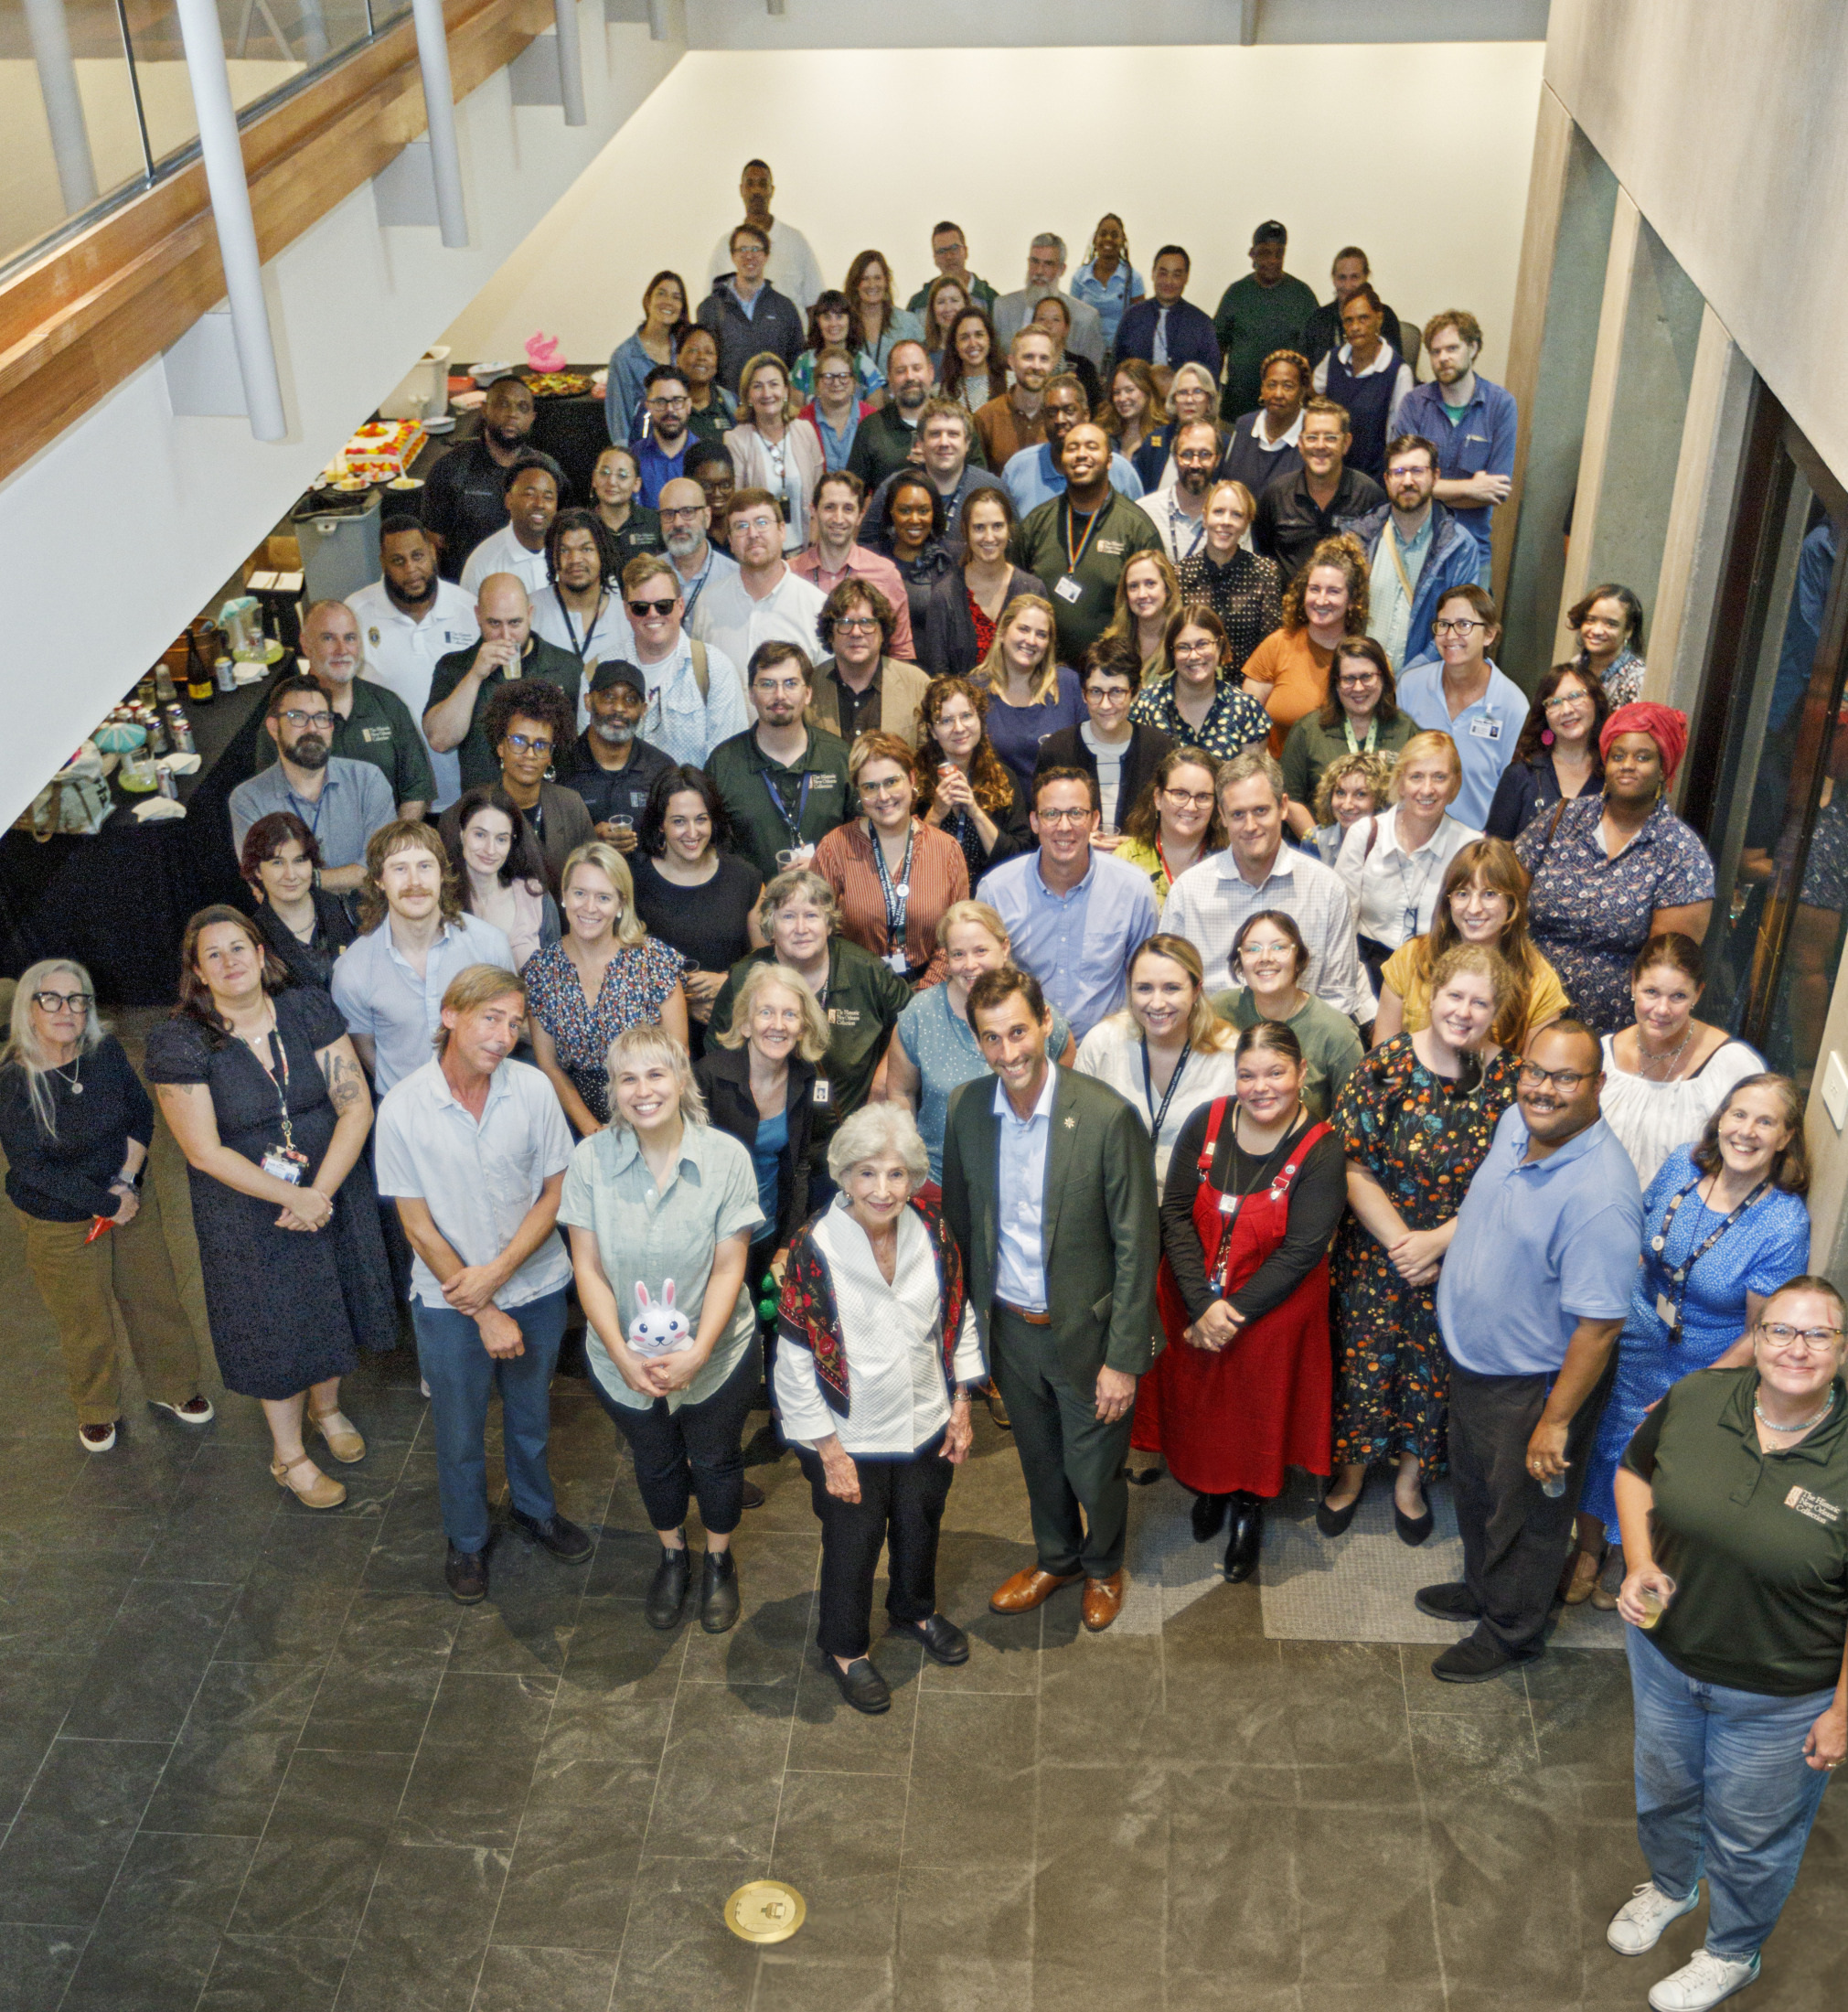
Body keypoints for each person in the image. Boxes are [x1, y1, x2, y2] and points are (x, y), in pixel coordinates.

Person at [1605, 1279, 1848, 2012]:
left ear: (1841, 1349)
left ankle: (1732, 1951)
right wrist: (1640, 1562)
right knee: (1665, 1795)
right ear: (1757, 1336)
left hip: (1780, 1695)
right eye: (1779, 1331)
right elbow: (1632, 1471)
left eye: (1817, 1336)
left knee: (1750, 1838)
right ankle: (1674, 1887)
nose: (1795, 1350)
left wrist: (1840, 1710)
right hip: (1664, 1657)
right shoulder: (1700, 1398)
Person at [1417, 1019, 1644, 1681]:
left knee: (1528, 1512)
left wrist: (1554, 1420)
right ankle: (1483, 1589)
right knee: (1478, 1490)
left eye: (1564, 1078)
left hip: (1534, 1382)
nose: (1543, 1090)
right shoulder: (1517, 1125)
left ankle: (1513, 1629)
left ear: (1597, 1085)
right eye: (1534, 1072)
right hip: (1478, 1363)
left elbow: (1598, 1326)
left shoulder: (1601, 1196)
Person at [148, 907, 396, 1508]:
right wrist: (295, 1197)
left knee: (331, 1301)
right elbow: (203, 1152)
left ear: (263, 956)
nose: (231, 961)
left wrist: (323, 1193)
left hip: (329, 1186)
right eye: (215, 954)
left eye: (241, 947)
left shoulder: (307, 1009)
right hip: (248, 1210)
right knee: (275, 1326)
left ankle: (328, 1409)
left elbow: (355, 1105)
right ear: (198, 973)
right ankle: (289, 1456)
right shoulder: (180, 1040)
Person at [943, 966, 1159, 1631]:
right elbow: (959, 1225)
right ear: (976, 1043)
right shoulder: (965, 1109)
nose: (1007, 1053)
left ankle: (1103, 1566)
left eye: (1017, 1031)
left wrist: (1122, 1359)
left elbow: (1135, 1246)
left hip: (1088, 1337)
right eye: (990, 1038)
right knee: (1038, 1463)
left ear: (1044, 1023)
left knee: (1093, 1469)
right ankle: (1057, 1558)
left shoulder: (1104, 1116)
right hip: (1010, 1329)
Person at [374, 965, 588, 1603]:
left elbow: (556, 1192)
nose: (504, 1035)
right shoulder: (404, 1107)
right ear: (449, 1016)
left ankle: (534, 1509)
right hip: (449, 1305)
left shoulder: (532, 1090)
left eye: (515, 1022)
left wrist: (496, 1275)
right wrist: (484, 1307)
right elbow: (416, 1224)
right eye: (491, 1018)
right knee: (460, 1432)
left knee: (530, 1418)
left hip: (539, 1287)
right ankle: (466, 1540)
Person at [774, 1101, 981, 1711]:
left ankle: (914, 1611)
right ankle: (844, 1648)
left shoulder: (933, 1229)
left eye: (895, 1174)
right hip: (849, 1431)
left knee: (920, 1521)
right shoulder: (814, 1249)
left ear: (913, 1178)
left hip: (925, 1417)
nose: (882, 1190)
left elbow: (956, 1315)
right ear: (842, 1176)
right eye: (866, 1173)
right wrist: (828, 1450)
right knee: (853, 1540)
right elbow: (792, 1361)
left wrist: (962, 1403)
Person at [1576, 1073, 1810, 1611]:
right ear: (1720, 1119)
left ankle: (1624, 1554)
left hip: (1705, 1360)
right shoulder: (1683, 1163)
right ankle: (1586, 1548)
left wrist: (1693, 1393)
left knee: (1651, 1452)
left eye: (1765, 1121)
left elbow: (1761, 1331)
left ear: (1786, 1137)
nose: (1747, 1131)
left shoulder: (1783, 1222)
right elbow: (1636, 1238)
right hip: (1632, 1328)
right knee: (1600, 1435)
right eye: (1739, 1115)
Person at [561, 1025, 763, 1633]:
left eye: (655, 1074)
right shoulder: (589, 1160)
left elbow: (731, 1266)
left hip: (718, 1354)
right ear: (613, 1092)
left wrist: (699, 1351)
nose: (642, 1090)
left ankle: (719, 1561)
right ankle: (673, 1554)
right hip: (621, 1357)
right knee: (655, 1465)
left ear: (680, 1081)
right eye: (627, 1078)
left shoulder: (726, 1157)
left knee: (716, 1460)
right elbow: (587, 1268)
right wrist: (622, 1356)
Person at [1323, 945, 1522, 1543]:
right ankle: (1349, 1475)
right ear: (1431, 995)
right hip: (1376, 1253)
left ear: (1497, 1012)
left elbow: (1511, 1182)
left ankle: (1410, 1482)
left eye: (1479, 1002)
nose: (1463, 1011)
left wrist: (1437, 1243)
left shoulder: (1509, 1082)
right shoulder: (1382, 1066)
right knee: (1362, 1366)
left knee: (1434, 1372)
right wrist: (1403, 1245)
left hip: (1460, 1257)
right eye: (1454, 996)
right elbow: (1350, 1164)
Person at [1143, 1020, 1346, 1580]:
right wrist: (1200, 1302)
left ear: (1301, 1074)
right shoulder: (1205, 1121)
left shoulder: (1321, 1148)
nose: (1261, 1087)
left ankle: (1248, 1510)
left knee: (1255, 1416)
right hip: (1192, 1300)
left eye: (1276, 1073)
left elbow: (1303, 1250)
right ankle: (1206, 1487)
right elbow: (1177, 1212)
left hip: (1272, 1313)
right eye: (1248, 1074)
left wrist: (1230, 1315)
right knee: (1199, 1406)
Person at [2, 962, 214, 1451]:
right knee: (84, 1317)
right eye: (51, 999)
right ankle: (97, 1409)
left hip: (128, 1196)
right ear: (29, 1009)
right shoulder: (13, 1080)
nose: (66, 1010)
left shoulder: (104, 1052)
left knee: (154, 1295)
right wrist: (105, 1203)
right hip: (60, 1216)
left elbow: (140, 1114)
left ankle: (175, 1388)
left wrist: (125, 1184)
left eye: (78, 1000)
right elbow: (32, 1169)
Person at [708, 868, 913, 1204]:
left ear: (829, 923)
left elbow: (912, 1023)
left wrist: (884, 1077)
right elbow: (719, 1052)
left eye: (812, 916)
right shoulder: (746, 976)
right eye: (788, 916)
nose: (801, 929)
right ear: (771, 926)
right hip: (768, 1148)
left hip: (846, 1146)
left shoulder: (865, 971)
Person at [1517, 702, 1716, 1035]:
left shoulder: (1682, 855)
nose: (1627, 766)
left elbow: (1667, 969)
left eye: (1643, 757)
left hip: (1609, 1030)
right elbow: (1504, 899)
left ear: (1664, 767)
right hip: (1525, 1005)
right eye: (1618, 755)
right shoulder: (1561, 819)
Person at [1160, 750, 1373, 1024]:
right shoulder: (1188, 892)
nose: (1250, 826)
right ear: (1222, 816)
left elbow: (1338, 999)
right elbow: (1169, 986)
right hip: (1212, 1045)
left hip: (1300, 1048)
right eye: (1237, 814)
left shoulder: (1327, 889)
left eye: (1260, 811)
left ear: (1283, 807)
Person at [885, 898, 1074, 1205]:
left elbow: (1065, 1067)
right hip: (937, 1183)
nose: (970, 965)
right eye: (958, 954)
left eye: (981, 951)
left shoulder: (1034, 1012)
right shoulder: (921, 1015)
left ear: (1005, 948)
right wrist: (910, 1160)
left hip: (1023, 1183)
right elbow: (900, 1092)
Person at [328, 819, 513, 1090]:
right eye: (400, 869)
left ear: (441, 874)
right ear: (379, 880)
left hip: (488, 1102)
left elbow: (508, 1029)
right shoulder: (352, 970)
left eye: (425, 866)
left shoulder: (490, 946)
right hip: (406, 1119)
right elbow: (366, 1051)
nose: (415, 882)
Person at [977, 768, 1159, 1042]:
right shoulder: (996, 892)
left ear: (1095, 820)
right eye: (1051, 814)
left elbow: (1146, 981)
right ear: (1034, 822)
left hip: (1108, 1049)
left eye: (1076, 813)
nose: (1064, 826)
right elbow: (983, 985)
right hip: (1023, 1050)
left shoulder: (1133, 889)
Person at [696, 961, 821, 1354]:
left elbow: (801, 1167)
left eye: (789, 1014)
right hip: (712, 1238)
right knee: (723, 1338)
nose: (777, 1025)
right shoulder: (707, 1078)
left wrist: (789, 1242)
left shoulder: (808, 1078)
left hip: (770, 1229)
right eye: (766, 1012)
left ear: (802, 1026)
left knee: (774, 1335)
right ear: (746, 1023)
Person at [524, 840, 688, 1133]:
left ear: (621, 903)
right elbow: (548, 1065)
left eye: (603, 897)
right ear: (563, 896)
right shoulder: (542, 970)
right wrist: (590, 1128)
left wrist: (641, 1120)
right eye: (579, 893)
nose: (589, 907)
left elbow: (678, 1054)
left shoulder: (653, 961)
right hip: (573, 1117)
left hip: (650, 1106)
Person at [1596, 934, 1765, 1186]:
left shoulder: (1732, 1065)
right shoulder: (1602, 1056)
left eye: (1678, 996)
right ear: (1633, 985)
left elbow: (1756, 1157)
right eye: (1651, 992)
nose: (1662, 1009)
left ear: (1698, 994)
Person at [1375, 838, 1571, 1053]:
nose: (1474, 908)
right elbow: (1380, 1059)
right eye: (1462, 894)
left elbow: (1533, 1077)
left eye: (1489, 894)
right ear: (1447, 901)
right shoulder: (1411, 957)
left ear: (1512, 903)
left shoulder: (1539, 981)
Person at [1076, 934, 1241, 1184]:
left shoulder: (1230, 1053)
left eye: (1171, 988)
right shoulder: (1103, 1043)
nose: (1157, 1003)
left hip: (1195, 1204)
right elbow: (1077, 1133)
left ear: (1197, 990)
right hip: (1116, 1198)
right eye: (1144, 988)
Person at [630, 765, 764, 1059]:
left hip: (734, 1035)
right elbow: (620, 974)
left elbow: (768, 963)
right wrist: (678, 1004)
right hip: (659, 1043)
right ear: (660, 825)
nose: (692, 833)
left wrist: (729, 983)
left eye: (701, 820)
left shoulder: (746, 878)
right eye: (679, 821)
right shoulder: (634, 884)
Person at [815, 733, 969, 988]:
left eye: (892, 781)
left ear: (911, 779)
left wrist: (922, 997)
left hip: (934, 991)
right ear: (859, 792)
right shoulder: (834, 848)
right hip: (857, 992)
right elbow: (822, 933)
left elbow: (957, 937)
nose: (883, 796)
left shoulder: (946, 849)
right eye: (870, 787)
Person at [352, 516, 482, 813]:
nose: (411, 570)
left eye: (418, 556)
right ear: (383, 563)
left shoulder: (468, 610)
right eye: (398, 561)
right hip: (393, 796)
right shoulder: (355, 614)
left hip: (464, 791)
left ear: (433, 552)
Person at [259, 601, 432, 820]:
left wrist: (393, 846)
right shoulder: (285, 715)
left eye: (350, 638)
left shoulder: (388, 705)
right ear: (306, 643)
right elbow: (270, 799)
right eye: (328, 638)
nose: (342, 650)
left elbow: (417, 790)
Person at [1336, 730, 1482, 988]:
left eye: (1439, 777)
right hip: (1366, 976)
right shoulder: (1365, 835)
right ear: (1401, 782)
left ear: (1454, 784)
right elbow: (1339, 928)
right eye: (1417, 777)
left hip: (1443, 978)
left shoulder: (1470, 847)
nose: (1427, 789)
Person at [1011, 424, 1163, 663]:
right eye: (1072, 448)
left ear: (1109, 461)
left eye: (1092, 447)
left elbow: (1158, 609)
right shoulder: (1037, 523)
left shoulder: (1136, 528)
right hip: (1041, 669)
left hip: (1111, 675)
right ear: (1062, 460)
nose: (1081, 454)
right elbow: (1013, 596)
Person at [706, 641, 855, 881]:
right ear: (751, 694)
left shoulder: (839, 757)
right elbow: (711, 850)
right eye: (767, 684)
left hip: (828, 903)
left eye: (790, 683)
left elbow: (863, 839)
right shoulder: (723, 764)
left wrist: (826, 864)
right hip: (752, 908)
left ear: (808, 694)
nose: (779, 695)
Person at [229, 677, 394, 892]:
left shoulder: (368, 780)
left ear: (331, 726)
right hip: (298, 921)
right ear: (273, 727)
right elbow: (263, 884)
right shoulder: (249, 800)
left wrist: (307, 880)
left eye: (321, 717)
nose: (312, 728)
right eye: (298, 717)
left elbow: (381, 867)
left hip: (369, 916)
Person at [422, 573, 582, 794]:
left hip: (548, 804)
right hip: (483, 808)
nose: (506, 635)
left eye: (515, 622)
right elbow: (440, 740)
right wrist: (475, 675)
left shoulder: (565, 665)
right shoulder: (455, 666)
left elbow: (579, 747)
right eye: (494, 623)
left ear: (530, 614)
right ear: (478, 615)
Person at [1207, 909, 1366, 1121]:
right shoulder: (1219, 1010)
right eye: (1252, 949)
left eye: (1279, 947)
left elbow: (1354, 1117)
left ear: (1299, 958)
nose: (1265, 958)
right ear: (1240, 961)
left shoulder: (1336, 1032)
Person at [1348, 434, 1483, 675]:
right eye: (1398, 472)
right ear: (1387, 480)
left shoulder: (1460, 548)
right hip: (1360, 684)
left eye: (1417, 471)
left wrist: (1411, 679)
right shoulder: (1358, 539)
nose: (1407, 481)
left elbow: (1457, 628)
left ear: (1435, 477)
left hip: (1425, 689)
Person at [1397, 311, 1519, 579]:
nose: (1443, 358)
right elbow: (1403, 486)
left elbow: (1496, 492)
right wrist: (1471, 488)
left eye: (1452, 348)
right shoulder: (1414, 404)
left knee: (1469, 622)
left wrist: (1429, 491)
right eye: (1435, 351)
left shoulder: (1501, 405)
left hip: (1471, 552)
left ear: (1473, 348)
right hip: (1415, 550)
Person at [1397, 584, 1527, 830]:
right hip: (1410, 834)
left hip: (1473, 848)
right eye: (1443, 625)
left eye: (1464, 625)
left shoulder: (1512, 705)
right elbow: (1396, 766)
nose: (1450, 635)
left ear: (1489, 635)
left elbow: (1512, 792)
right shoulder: (1410, 685)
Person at [611, 550, 746, 767]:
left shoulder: (716, 670)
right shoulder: (598, 670)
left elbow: (728, 768)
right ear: (627, 611)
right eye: (640, 608)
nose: (653, 614)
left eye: (663, 605)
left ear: (680, 606)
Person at [1244, 532, 1372, 755]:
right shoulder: (1277, 645)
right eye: (1314, 589)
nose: (1321, 600)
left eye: (1333, 591)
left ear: (1352, 601)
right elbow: (1246, 723)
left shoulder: (1369, 660)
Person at [1033, 637, 1173, 841]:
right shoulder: (1057, 749)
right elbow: (1039, 824)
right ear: (1083, 694)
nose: (1106, 705)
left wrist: (1135, 845)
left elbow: (1171, 824)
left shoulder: (1159, 749)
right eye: (1096, 692)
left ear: (1134, 693)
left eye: (1117, 692)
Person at [459, 681, 593, 891]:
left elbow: (589, 876)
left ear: (550, 756)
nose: (530, 754)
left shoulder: (570, 805)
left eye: (541, 745)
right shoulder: (469, 808)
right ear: (501, 747)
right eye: (519, 741)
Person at [1279, 636, 1414, 840]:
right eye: (1349, 679)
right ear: (1336, 683)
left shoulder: (1407, 731)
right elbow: (1291, 799)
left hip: (1388, 854)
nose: (1358, 688)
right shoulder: (1308, 731)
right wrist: (1320, 846)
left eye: (1367, 677)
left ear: (1383, 678)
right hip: (1322, 854)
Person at [690, 489, 828, 678]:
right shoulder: (708, 603)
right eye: (741, 526)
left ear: (782, 530)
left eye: (762, 523)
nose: (752, 534)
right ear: (730, 541)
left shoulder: (816, 606)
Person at [913, 675, 1034, 890]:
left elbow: (1019, 858)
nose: (959, 728)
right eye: (946, 720)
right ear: (932, 731)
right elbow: (903, 858)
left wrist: (976, 813)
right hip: (929, 897)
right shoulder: (915, 778)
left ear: (980, 719)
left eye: (967, 716)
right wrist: (936, 814)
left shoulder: (1003, 777)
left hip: (989, 898)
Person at [917, 486, 1046, 681]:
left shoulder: (1033, 590)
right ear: (965, 531)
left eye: (997, 526)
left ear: (1009, 528)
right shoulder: (945, 595)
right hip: (963, 709)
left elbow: (1044, 665)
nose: (989, 537)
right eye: (979, 528)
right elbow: (938, 675)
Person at [1252, 398, 1386, 579]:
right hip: (1286, 605)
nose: (1320, 445)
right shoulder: (1277, 495)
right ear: (1301, 443)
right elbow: (1262, 557)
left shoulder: (1368, 495)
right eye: (1312, 437)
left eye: (1330, 438)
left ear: (1346, 443)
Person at [791, 472, 916, 663]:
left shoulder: (885, 574)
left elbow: (901, 653)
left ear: (860, 516)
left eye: (848, 509)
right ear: (813, 511)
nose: (838, 519)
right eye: (829, 507)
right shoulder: (791, 573)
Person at [422, 373, 537, 580]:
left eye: (522, 407)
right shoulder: (450, 469)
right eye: (503, 404)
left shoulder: (546, 471)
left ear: (532, 418)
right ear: (484, 410)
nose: (513, 414)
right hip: (467, 587)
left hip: (529, 585)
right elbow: (433, 545)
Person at [1484, 659, 1609, 842]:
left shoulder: (1613, 775)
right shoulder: (1520, 774)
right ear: (1544, 715)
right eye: (1555, 702)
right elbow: (1496, 853)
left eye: (1575, 696)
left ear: (1596, 701)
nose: (1566, 710)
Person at [1129, 604, 1273, 763]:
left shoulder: (1246, 710)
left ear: (1219, 646)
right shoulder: (1146, 706)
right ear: (1172, 652)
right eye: (1183, 647)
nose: (1194, 655)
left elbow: (1251, 780)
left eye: (1202, 644)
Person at [967, 594, 1082, 790]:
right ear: (1003, 632)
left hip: (1058, 814)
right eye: (1023, 629)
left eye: (1041, 634)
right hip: (997, 813)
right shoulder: (974, 690)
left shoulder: (1068, 684)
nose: (1031, 640)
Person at [862, 401, 1004, 558]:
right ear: (921, 442)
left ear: (968, 443)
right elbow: (865, 550)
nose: (944, 443)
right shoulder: (894, 487)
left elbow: (1012, 554)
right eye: (935, 434)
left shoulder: (992, 488)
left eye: (953, 434)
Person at [1175, 481, 1285, 677]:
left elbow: (1271, 647)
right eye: (1218, 512)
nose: (1226, 521)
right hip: (1192, 684)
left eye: (1236, 514)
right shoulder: (1181, 573)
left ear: (1246, 524)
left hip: (1249, 689)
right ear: (1205, 517)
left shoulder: (1265, 573)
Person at [560, 658, 676, 844]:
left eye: (630, 700)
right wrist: (589, 839)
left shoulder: (662, 769)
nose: (619, 708)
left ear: (643, 710)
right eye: (609, 697)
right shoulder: (560, 765)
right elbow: (544, 844)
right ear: (588, 702)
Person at [1212, 220, 1319, 423]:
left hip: (1288, 411)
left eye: (1278, 253)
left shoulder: (1302, 296)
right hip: (1238, 409)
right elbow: (1217, 347)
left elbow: (1316, 353)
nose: (1272, 260)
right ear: (1252, 254)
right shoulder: (1236, 293)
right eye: (1265, 253)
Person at [240, 811, 358, 991]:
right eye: (277, 863)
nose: (291, 875)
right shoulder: (252, 936)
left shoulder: (349, 912)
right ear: (257, 871)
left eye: (299, 861)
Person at [443, 787, 557, 971]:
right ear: (462, 834)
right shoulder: (439, 901)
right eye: (480, 835)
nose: (490, 850)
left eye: (501, 839)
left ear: (512, 843)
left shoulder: (535, 896)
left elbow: (554, 977)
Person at [723, 353, 825, 551]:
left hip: (807, 550)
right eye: (757, 386)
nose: (767, 393)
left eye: (774, 384)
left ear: (786, 391)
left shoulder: (805, 430)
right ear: (748, 396)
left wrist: (816, 530)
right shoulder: (736, 439)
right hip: (761, 552)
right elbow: (737, 505)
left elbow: (820, 492)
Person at [1310, 285, 1414, 480]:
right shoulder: (1333, 359)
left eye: (1363, 318)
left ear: (1379, 319)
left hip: (1373, 479)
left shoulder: (1398, 372)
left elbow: (1398, 440)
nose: (1355, 327)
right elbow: (1314, 391)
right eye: (1348, 321)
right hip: (1330, 473)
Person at [807, 580, 927, 746]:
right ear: (830, 634)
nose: (856, 632)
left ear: (883, 631)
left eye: (866, 623)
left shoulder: (917, 684)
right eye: (845, 623)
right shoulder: (809, 685)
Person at [704, 159, 825, 314]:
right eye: (750, 184)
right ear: (741, 190)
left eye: (762, 184)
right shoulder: (725, 246)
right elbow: (711, 305)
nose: (756, 191)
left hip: (790, 337)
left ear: (771, 190)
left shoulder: (795, 242)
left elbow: (815, 303)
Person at [697, 223, 805, 394]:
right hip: (727, 408)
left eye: (755, 249)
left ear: (767, 256)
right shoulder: (711, 308)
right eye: (742, 249)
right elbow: (703, 364)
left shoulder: (785, 308)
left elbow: (797, 364)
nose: (749, 256)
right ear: (733, 256)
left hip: (772, 407)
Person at [1115, 746, 1225, 904]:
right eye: (1180, 794)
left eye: (1203, 797)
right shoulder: (1126, 861)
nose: (1191, 807)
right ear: (1158, 798)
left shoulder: (1229, 862)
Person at [528, 509, 625, 677]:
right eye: (564, 551)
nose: (575, 559)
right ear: (552, 557)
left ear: (602, 553)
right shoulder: (530, 609)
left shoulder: (626, 616)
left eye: (586, 549)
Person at [992, 232, 1107, 368]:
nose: (1039, 271)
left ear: (1062, 269)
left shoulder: (1086, 318)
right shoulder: (1002, 307)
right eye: (1034, 262)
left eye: (1048, 264)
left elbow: (1091, 375)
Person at [460, 455, 563, 598]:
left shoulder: (568, 554)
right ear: (509, 500)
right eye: (530, 494)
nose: (539, 504)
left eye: (548, 497)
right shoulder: (483, 563)